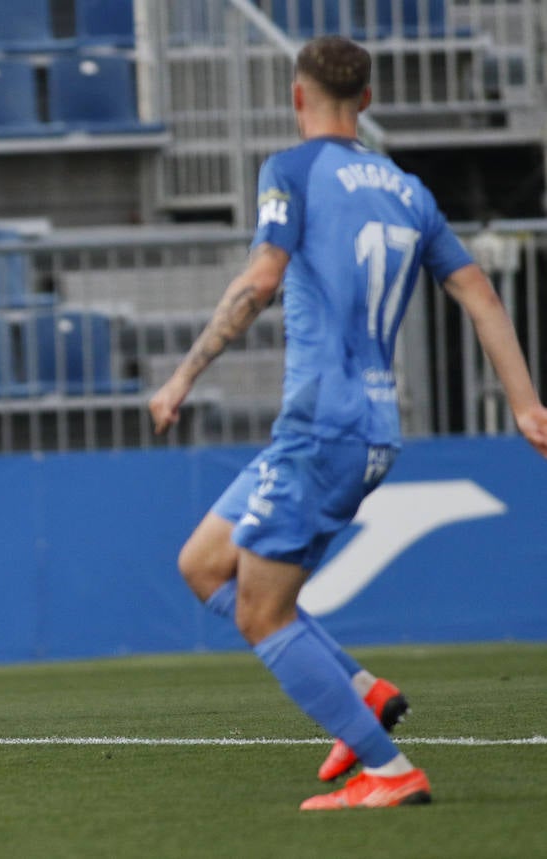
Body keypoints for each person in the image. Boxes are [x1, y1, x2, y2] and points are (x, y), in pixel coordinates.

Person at [148, 35, 547, 810]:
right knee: (203, 562)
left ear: (296, 97)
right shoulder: (408, 190)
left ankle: (388, 769)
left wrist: (183, 374)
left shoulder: (291, 170)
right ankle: (361, 690)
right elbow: (481, 296)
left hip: (321, 425)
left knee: (261, 609)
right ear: (366, 101)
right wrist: (527, 404)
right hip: (365, 422)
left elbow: (260, 280)